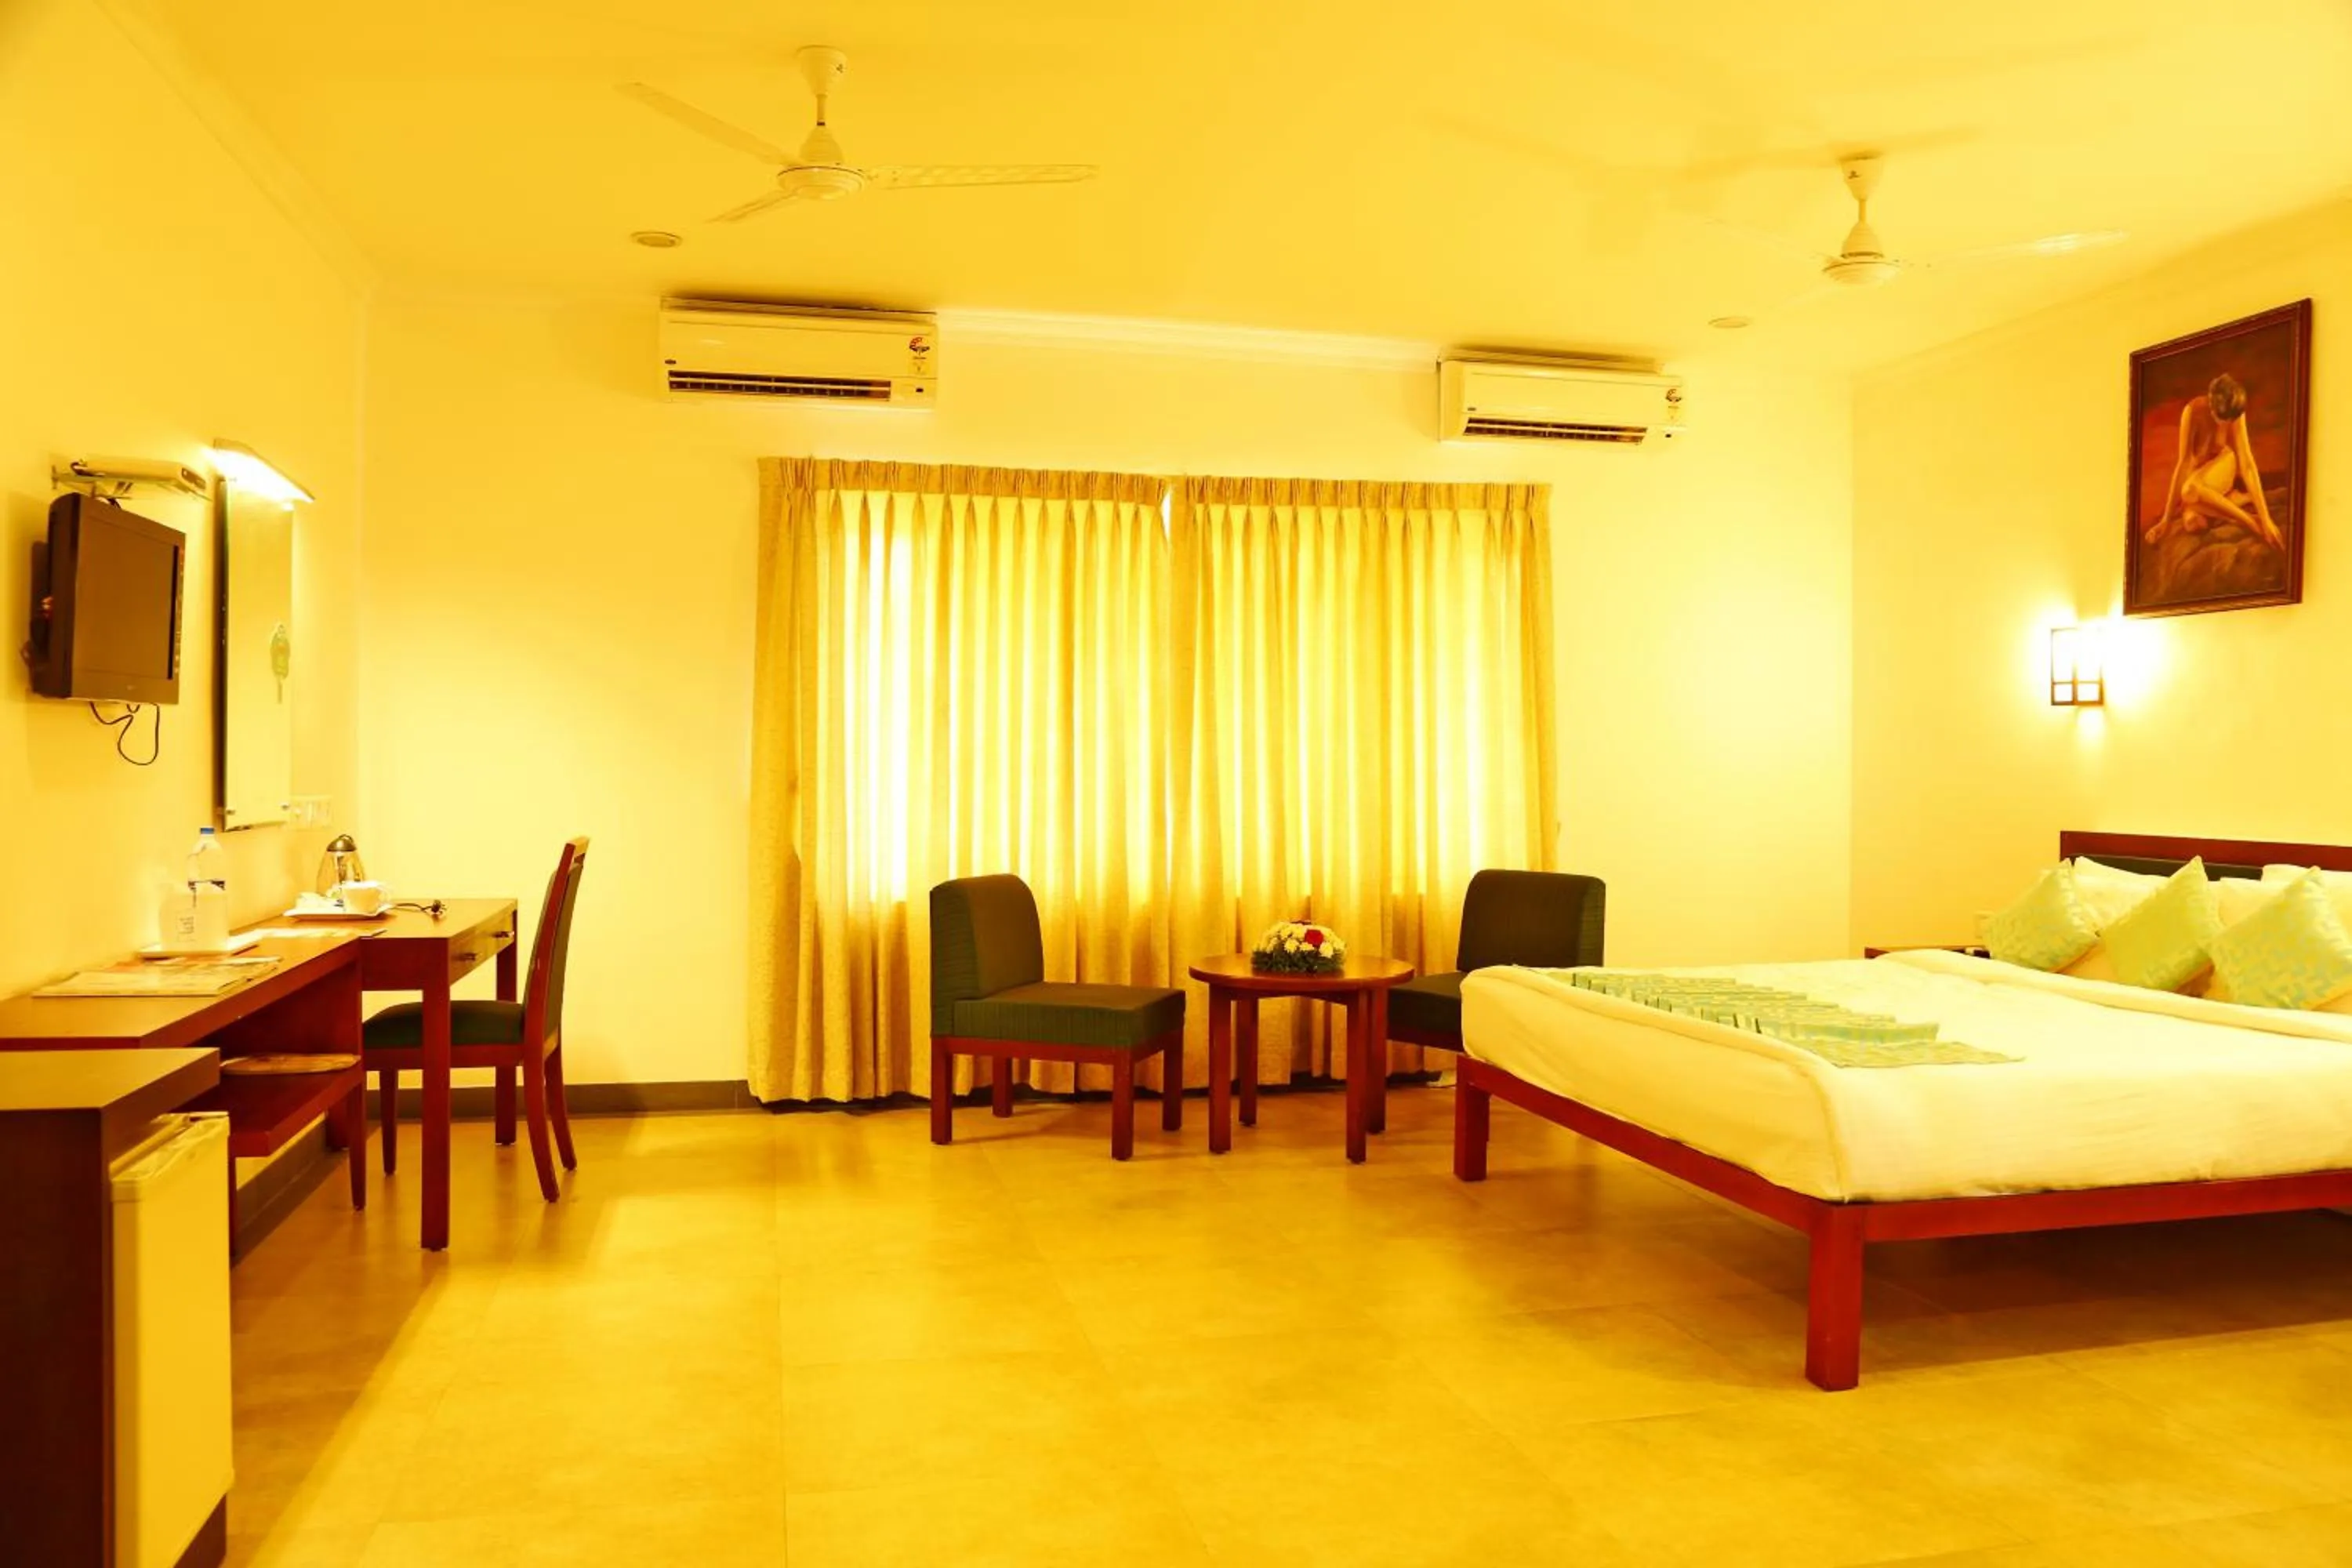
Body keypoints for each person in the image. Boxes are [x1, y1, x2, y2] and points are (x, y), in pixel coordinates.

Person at [2147, 372, 2285, 549]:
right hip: (2199, 477)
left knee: (2189, 491)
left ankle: (2250, 522)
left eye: (2230, 420)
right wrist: (2165, 521)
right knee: (2194, 524)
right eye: (2222, 419)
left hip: (2223, 465)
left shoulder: (2235, 412)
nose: (2226, 425)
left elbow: (2247, 464)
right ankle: (2235, 501)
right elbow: (2184, 463)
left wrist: (2265, 520)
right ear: (2211, 405)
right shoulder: (2192, 412)